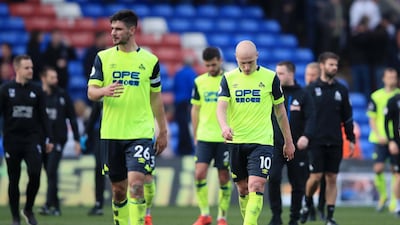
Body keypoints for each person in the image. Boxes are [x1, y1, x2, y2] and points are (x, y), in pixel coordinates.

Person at [87, 9, 168, 225]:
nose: (113, 33)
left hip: (140, 132)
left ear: (132, 30)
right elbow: (91, 92)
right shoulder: (103, 58)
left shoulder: (150, 61)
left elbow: (156, 99)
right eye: (112, 28)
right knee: (119, 190)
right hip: (112, 132)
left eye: (118, 29)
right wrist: (103, 91)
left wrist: (163, 131)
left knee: (136, 184)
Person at [216, 40, 295, 225]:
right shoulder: (228, 78)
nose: (246, 66)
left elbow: (280, 111)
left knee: (256, 185)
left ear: (257, 56)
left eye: (250, 62)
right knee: (243, 189)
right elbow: (221, 107)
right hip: (236, 141)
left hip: (262, 142)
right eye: (242, 62)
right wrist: (224, 127)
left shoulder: (270, 77)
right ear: (236, 59)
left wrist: (288, 141)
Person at [300, 52, 355, 225]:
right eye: (331, 64)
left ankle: (330, 216)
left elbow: (347, 117)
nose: (334, 68)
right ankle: (307, 202)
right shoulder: (310, 89)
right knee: (315, 177)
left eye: (336, 65)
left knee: (332, 178)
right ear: (322, 66)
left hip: (336, 140)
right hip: (316, 140)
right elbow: (303, 117)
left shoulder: (342, 90)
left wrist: (351, 138)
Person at [0, 55, 54, 225]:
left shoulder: (37, 90)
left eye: (31, 67)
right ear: (17, 69)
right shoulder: (5, 89)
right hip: (12, 139)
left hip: (32, 140)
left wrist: (49, 138)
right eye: (27, 68)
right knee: (13, 179)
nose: (31, 70)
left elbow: (44, 116)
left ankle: (28, 209)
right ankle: (15, 217)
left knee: (35, 173)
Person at [268, 61, 316, 225]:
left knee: (298, 183)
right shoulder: (272, 93)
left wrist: (306, 136)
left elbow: (311, 118)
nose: (277, 76)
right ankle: (276, 216)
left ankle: (294, 218)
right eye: (277, 73)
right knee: (273, 178)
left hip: (297, 146)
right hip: (275, 145)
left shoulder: (303, 94)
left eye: (281, 73)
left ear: (291, 74)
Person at [191, 47, 231, 225]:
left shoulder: (230, 80)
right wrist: (195, 133)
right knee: (199, 174)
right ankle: (205, 214)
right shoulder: (199, 81)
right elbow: (195, 109)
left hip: (224, 136)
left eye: (213, 64)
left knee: (224, 176)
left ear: (220, 61)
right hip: (205, 136)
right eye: (207, 65)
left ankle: (222, 216)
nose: (210, 68)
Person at [38, 66, 81, 216]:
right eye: (52, 77)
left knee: (51, 171)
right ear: (43, 78)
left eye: (56, 77)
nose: (55, 80)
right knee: (50, 174)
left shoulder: (62, 95)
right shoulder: (38, 96)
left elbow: (72, 118)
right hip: (41, 141)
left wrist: (76, 140)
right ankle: (56, 207)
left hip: (58, 140)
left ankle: (47, 204)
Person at [367, 67, 400, 212]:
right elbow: (372, 118)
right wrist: (379, 135)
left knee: (396, 170)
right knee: (378, 168)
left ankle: (394, 201)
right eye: (389, 77)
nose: (392, 79)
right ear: (384, 79)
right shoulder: (376, 96)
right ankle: (383, 195)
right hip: (379, 138)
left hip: (396, 138)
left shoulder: (398, 96)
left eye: (394, 77)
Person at [173, 57, 196, 155]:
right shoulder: (191, 73)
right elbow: (194, 88)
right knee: (187, 126)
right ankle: (187, 148)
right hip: (187, 102)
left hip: (178, 102)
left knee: (181, 126)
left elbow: (174, 87)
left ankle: (181, 148)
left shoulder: (178, 73)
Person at [384, 91, 400, 216]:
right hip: (397, 144)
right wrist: (391, 141)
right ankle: (398, 206)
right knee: (399, 176)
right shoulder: (394, 100)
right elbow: (386, 122)